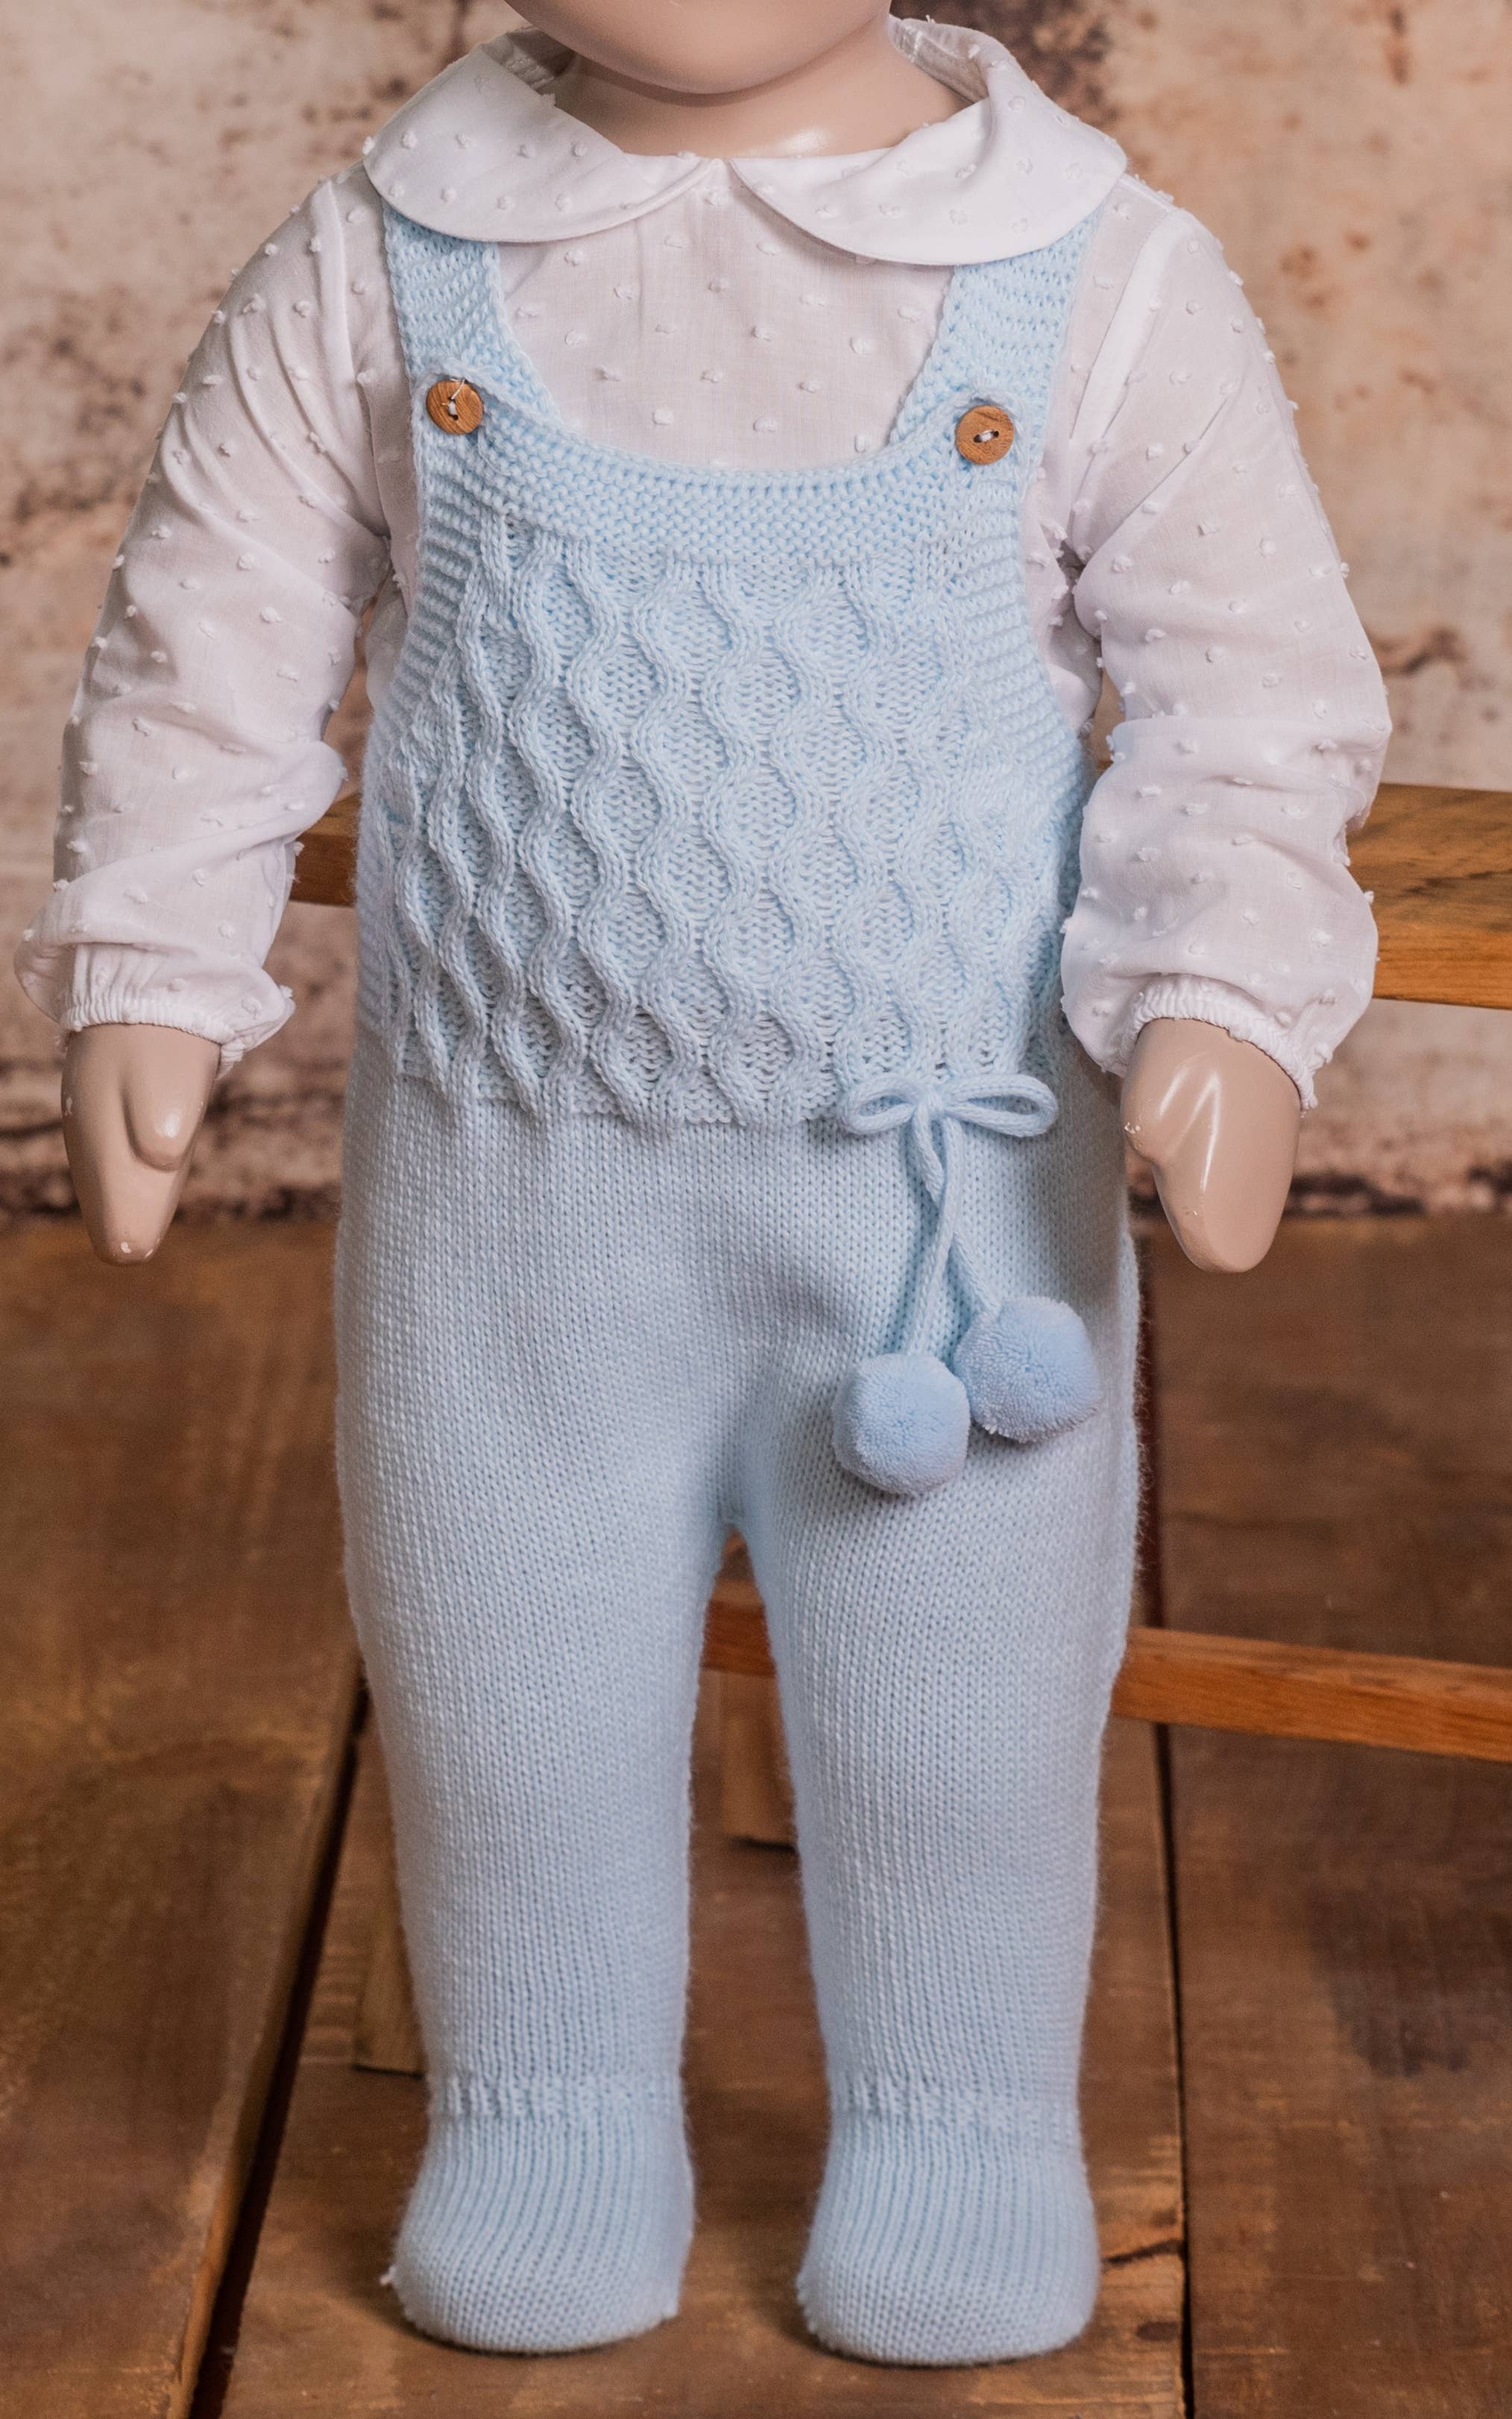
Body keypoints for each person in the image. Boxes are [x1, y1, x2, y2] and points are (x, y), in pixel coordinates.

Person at [15, 4, 1387, 2367]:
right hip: (501, 1217)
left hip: (934, 1241)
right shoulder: (386, 258)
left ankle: (961, 2121)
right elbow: (202, 635)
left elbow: (1249, 699)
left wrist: (1221, 1001)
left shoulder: (1088, 273)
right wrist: (152, 957)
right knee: (502, 1684)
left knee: (957, 1714)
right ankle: (543, 2106)